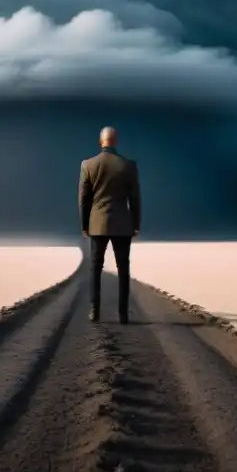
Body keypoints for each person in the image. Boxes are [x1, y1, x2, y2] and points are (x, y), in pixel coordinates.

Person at [79, 126, 141, 324]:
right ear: (116, 141)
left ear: (101, 141)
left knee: (95, 267)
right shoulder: (128, 165)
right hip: (123, 224)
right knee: (123, 268)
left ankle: (94, 311)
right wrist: (136, 223)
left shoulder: (88, 165)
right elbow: (135, 198)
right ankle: (123, 314)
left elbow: (83, 199)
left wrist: (85, 225)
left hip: (97, 223)